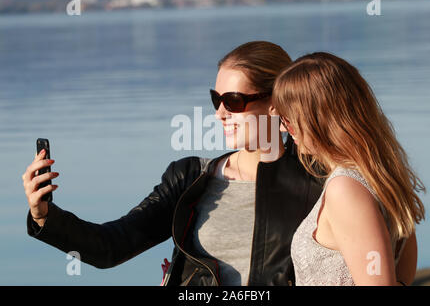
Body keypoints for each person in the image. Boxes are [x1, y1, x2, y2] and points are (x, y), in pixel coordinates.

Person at [22, 41, 323, 286]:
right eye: (215, 99)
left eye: (233, 101)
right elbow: (110, 247)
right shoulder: (190, 178)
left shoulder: (318, 183)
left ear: (274, 103)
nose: (220, 113)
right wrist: (44, 215)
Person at [272, 52, 426, 286]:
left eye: (287, 119)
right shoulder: (383, 180)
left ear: (318, 118)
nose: (284, 129)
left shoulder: (346, 189)